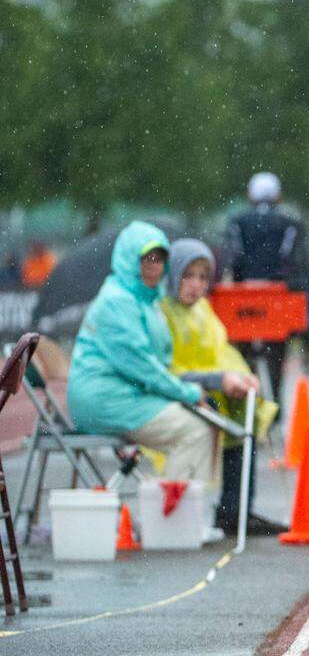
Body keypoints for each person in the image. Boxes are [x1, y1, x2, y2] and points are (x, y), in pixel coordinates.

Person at [68, 223, 220, 538]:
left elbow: (153, 365)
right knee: (195, 428)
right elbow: (140, 367)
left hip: (126, 394)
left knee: (204, 420)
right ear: (128, 260)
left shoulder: (145, 300)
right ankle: (171, 521)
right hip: (104, 399)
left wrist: (186, 393)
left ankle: (188, 515)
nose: (155, 267)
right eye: (146, 259)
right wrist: (187, 393)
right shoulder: (117, 301)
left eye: (159, 259)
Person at [159, 238, 288, 536]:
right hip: (177, 394)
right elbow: (167, 371)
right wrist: (216, 380)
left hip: (208, 390)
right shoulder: (162, 313)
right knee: (214, 412)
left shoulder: (203, 310)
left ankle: (236, 509)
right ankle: (199, 511)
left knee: (246, 411)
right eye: (188, 276)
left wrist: (242, 378)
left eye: (204, 277)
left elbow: (223, 354)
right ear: (174, 274)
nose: (196, 285)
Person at [225, 172, 309, 403]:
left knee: (241, 360)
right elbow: (295, 263)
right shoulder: (290, 224)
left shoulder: (237, 222)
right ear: (278, 197)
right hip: (278, 299)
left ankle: (246, 408)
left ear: (250, 196)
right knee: (276, 359)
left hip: (242, 301)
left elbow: (234, 259)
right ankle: (274, 408)